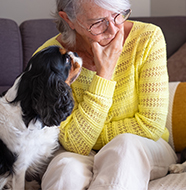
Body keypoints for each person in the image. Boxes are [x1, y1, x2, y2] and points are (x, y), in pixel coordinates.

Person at [34, 0, 177, 189]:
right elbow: (74, 145)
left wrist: (88, 136)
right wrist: (105, 74)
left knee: (123, 148)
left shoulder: (148, 38)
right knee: (65, 169)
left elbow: (150, 126)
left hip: (146, 145)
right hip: (81, 153)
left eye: (118, 14)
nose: (113, 30)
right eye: (98, 22)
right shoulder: (48, 60)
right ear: (68, 19)